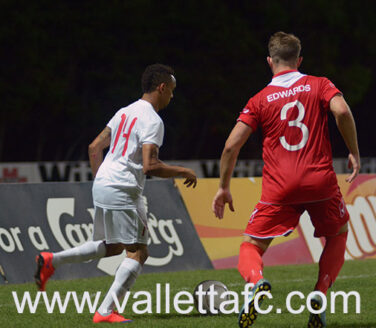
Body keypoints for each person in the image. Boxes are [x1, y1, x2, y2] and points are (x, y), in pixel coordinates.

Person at [212, 32, 360, 328]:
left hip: (280, 188)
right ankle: (319, 294)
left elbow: (231, 145)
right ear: (299, 60)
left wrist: (224, 187)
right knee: (338, 234)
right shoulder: (319, 84)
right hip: (320, 183)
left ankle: (255, 283)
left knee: (251, 245)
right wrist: (354, 151)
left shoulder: (259, 99)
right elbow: (341, 110)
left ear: (270, 61)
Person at [34, 63, 197, 323]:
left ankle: (52, 260)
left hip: (103, 184)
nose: (172, 97)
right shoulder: (153, 120)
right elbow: (150, 166)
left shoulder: (123, 112)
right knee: (138, 252)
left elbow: (94, 147)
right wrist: (184, 171)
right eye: (172, 91)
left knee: (113, 247)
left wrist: (103, 179)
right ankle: (106, 311)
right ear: (162, 87)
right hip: (123, 188)